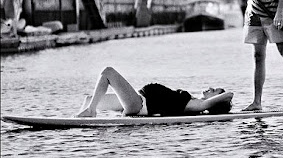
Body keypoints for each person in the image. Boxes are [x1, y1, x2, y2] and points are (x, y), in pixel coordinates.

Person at [76, 66, 234, 117]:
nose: (211, 88)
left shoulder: (199, 105)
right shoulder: (194, 100)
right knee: (90, 99)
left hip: (139, 104)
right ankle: (87, 113)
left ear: (216, 100)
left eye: (215, 91)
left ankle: (91, 112)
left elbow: (230, 94)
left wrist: (222, 99)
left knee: (108, 72)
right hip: (137, 99)